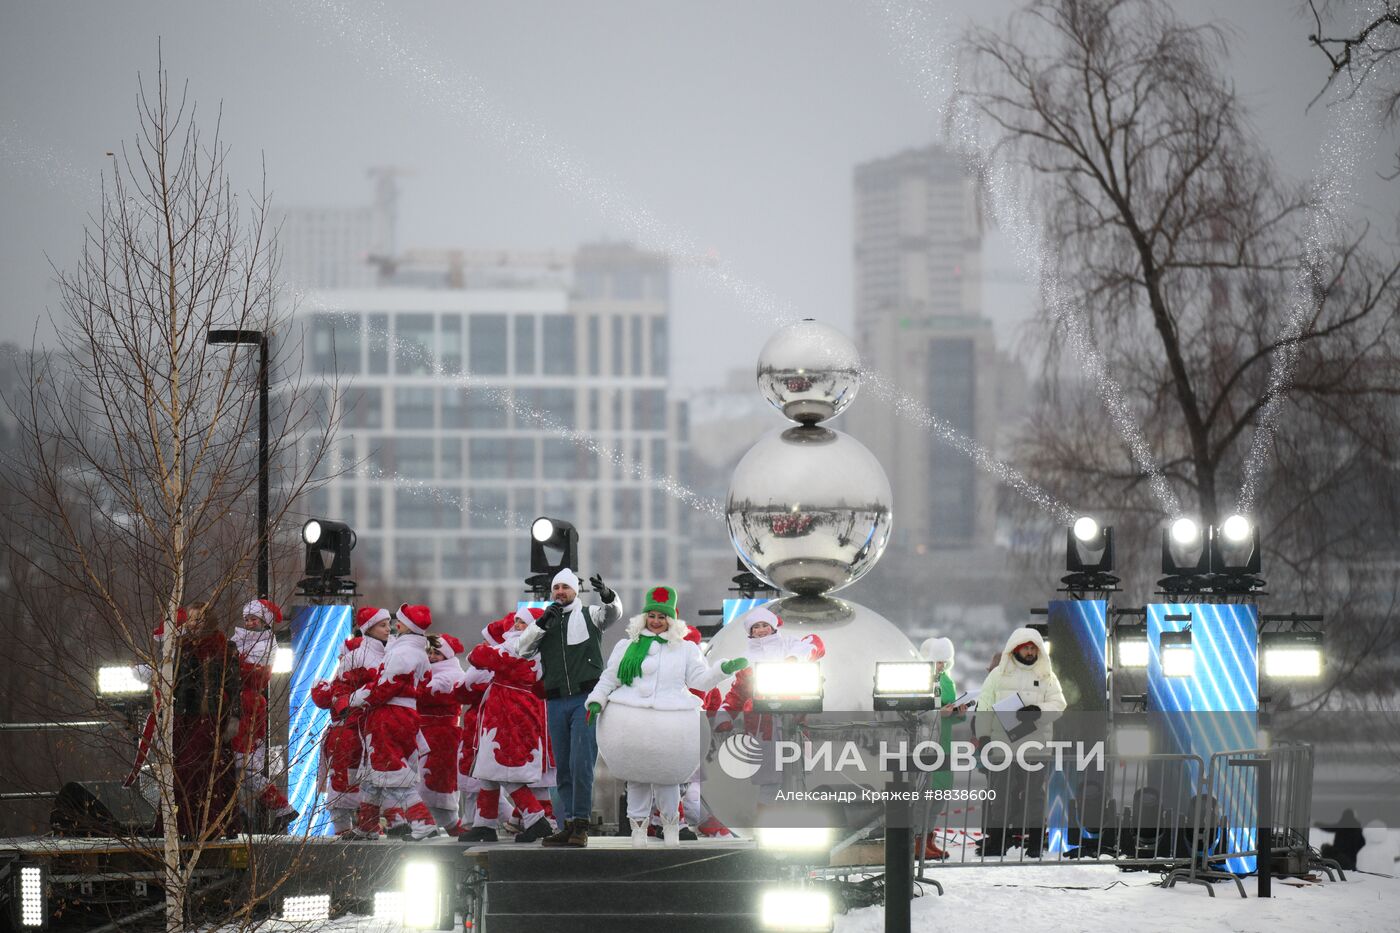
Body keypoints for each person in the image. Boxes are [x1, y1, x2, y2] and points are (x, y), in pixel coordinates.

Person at [586, 586, 746, 847]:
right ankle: (638, 832)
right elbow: (610, 677)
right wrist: (597, 700)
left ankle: (671, 829)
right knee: (636, 779)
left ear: (671, 620)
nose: (656, 621)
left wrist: (722, 670)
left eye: (662, 617)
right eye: (652, 616)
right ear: (644, 617)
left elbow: (701, 680)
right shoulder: (626, 646)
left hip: (671, 727)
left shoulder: (685, 649)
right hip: (630, 723)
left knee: (668, 780)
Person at [516, 568, 622, 847]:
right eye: (556, 588)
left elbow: (613, 614)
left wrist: (608, 595)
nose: (560, 592)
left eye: (566, 587)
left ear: (576, 591)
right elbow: (521, 649)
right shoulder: (546, 620)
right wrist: (541, 624)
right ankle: (568, 824)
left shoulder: (590, 615)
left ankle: (581, 823)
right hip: (555, 700)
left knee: (581, 763)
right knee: (562, 766)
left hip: (584, 700)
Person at [460, 607, 555, 844]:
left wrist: (483, 648)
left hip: (510, 714)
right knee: (489, 773)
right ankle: (484, 824)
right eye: (516, 622)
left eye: (522, 622)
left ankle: (536, 818)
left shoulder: (523, 647)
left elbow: (480, 657)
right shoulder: (527, 646)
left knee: (506, 771)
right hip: (504, 711)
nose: (515, 626)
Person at [714, 607, 825, 805]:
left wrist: (793, 659)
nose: (761, 630)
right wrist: (724, 715)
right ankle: (767, 824)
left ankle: (800, 820)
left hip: (793, 719)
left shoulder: (789, 644)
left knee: (797, 773)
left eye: (765, 625)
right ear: (750, 632)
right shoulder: (747, 660)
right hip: (762, 727)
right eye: (756, 627)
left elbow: (815, 643)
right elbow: (737, 693)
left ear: (773, 627)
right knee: (770, 781)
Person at [973, 627, 1066, 857]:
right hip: (1002, 748)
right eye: (1026, 647)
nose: (1030, 651)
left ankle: (1035, 843)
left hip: (1035, 748)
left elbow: (1059, 704)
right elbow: (984, 707)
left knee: (1035, 795)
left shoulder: (1047, 676)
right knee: (1001, 794)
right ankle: (997, 841)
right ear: (1016, 648)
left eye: (1033, 647)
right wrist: (984, 738)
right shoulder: (997, 675)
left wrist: (1038, 711)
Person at [349, 604, 438, 840]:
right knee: (374, 775)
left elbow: (385, 686)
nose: (394, 625)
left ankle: (423, 823)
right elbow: (426, 683)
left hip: (388, 715)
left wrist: (360, 699)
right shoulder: (416, 651)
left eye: (399, 621)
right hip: (406, 714)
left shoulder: (401, 653)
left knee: (393, 772)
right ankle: (367, 825)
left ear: (407, 625)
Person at [230, 598, 299, 831]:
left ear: (264, 621)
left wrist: (233, 664)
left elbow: (256, 676)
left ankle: (280, 807)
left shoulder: (266, 646)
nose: (249, 623)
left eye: (254, 619)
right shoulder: (237, 641)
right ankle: (279, 808)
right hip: (236, 706)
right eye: (247, 619)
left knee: (244, 767)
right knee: (238, 768)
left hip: (247, 709)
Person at [418, 633, 487, 830]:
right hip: (423, 734)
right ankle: (430, 823)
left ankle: (448, 824)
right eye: (429, 652)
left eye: (437, 653)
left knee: (437, 782)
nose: (431, 656)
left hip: (442, 737)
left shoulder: (452, 676)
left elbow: (425, 694)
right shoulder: (427, 672)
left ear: (447, 656)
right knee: (423, 782)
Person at [918, 636, 965, 860]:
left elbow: (946, 715)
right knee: (924, 794)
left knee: (939, 793)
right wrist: (939, 713)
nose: (942, 666)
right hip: (925, 745)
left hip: (943, 743)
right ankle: (917, 839)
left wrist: (957, 714)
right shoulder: (918, 681)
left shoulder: (946, 681)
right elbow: (914, 713)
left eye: (945, 661)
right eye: (938, 661)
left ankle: (927, 837)